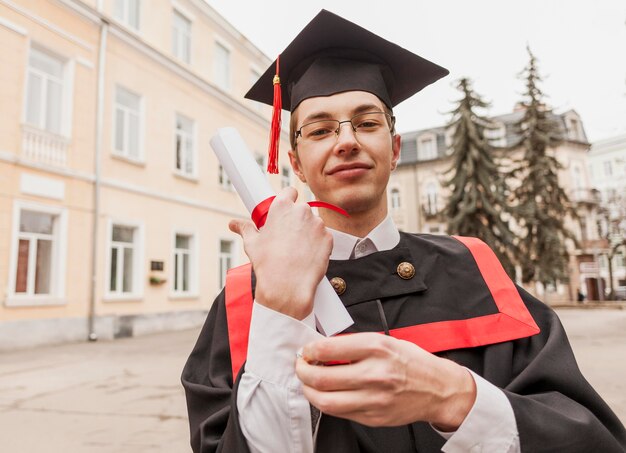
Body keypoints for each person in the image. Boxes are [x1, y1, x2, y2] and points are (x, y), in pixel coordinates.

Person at [182, 9, 626, 453]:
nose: (346, 140)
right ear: (295, 162)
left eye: (368, 122)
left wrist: (455, 396)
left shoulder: (475, 270)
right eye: (319, 130)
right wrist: (279, 309)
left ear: (395, 149)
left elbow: (591, 439)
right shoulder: (246, 298)